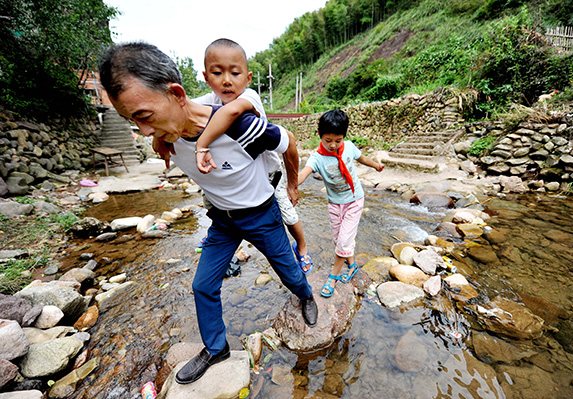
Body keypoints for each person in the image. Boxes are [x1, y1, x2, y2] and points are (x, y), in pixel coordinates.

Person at [98, 42, 318, 385]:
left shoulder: (240, 125)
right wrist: (161, 139)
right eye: (131, 120)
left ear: (175, 93)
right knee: (202, 285)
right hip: (222, 220)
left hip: (262, 214)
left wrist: (292, 185)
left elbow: (289, 144)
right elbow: (164, 134)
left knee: (289, 270)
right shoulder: (166, 135)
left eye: (143, 117)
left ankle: (305, 295)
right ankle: (216, 348)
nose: (143, 132)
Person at [192, 38, 313, 274]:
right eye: (217, 73)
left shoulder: (249, 96)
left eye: (235, 73)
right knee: (213, 204)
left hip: (268, 175)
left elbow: (232, 111)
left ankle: (303, 248)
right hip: (237, 175)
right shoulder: (210, 101)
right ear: (206, 77)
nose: (226, 80)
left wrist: (202, 143)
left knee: (287, 214)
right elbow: (183, 109)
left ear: (247, 78)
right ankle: (216, 241)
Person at [298, 109, 384, 298]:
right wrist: (291, 185)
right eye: (328, 141)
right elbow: (304, 173)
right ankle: (352, 266)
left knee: (344, 240)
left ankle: (333, 277)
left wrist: (376, 165)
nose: (333, 145)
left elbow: (362, 158)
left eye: (338, 140)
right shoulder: (317, 158)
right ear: (320, 136)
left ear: (344, 136)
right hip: (335, 204)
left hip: (354, 200)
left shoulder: (350, 147)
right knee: (339, 240)